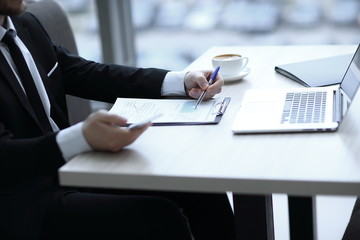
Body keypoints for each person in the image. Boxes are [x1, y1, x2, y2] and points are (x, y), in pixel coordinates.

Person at [0, 0, 236, 239]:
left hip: (76, 168)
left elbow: (85, 73)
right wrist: (81, 138)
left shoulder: (24, 23)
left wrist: (180, 82)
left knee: (198, 183)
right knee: (156, 217)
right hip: (24, 200)